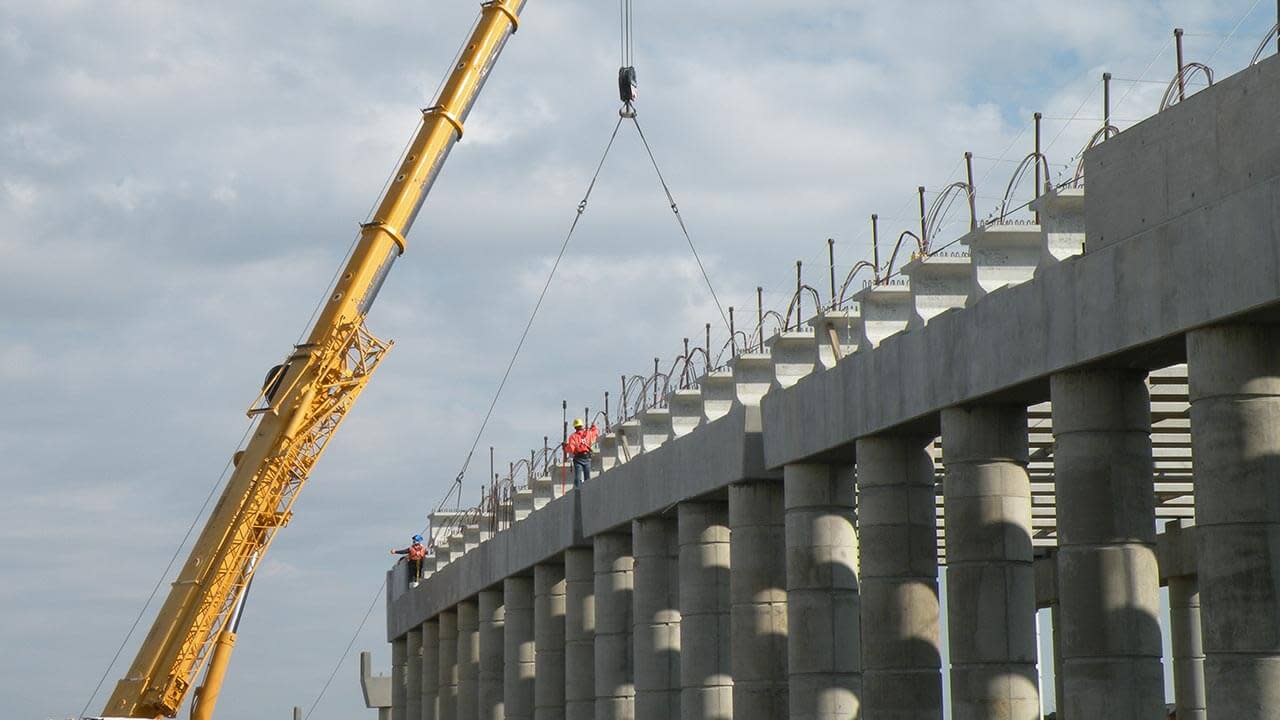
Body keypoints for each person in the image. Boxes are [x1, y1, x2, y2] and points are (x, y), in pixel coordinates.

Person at [564, 418, 599, 487]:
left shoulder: (573, 436)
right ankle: (587, 490)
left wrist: (565, 447)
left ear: (575, 427)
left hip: (578, 458)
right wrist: (593, 427)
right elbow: (595, 432)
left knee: (578, 477)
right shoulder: (588, 433)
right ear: (582, 426)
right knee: (587, 477)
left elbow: (571, 449)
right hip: (587, 457)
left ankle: (578, 490)